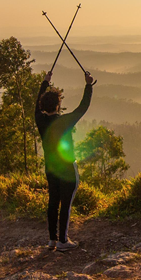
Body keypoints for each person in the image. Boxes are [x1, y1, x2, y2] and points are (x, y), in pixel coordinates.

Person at [35, 70, 95, 251]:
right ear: (58, 105)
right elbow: (82, 108)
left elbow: (35, 105)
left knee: (53, 201)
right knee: (65, 204)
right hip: (67, 168)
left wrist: (44, 83)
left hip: (51, 168)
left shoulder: (40, 119)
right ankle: (63, 241)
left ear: (43, 106)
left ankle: (52, 240)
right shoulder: (65, 121)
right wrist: (88, 85)